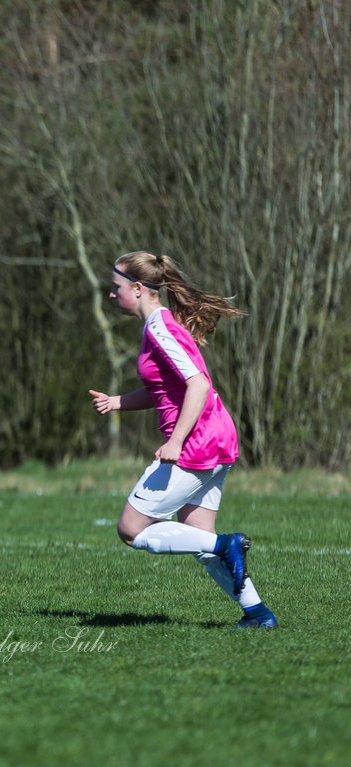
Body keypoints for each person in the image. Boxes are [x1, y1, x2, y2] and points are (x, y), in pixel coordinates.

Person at [89, 251, 277, 629]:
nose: (111, 295)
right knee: (197, 538)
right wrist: (118, 402)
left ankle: (228, 545)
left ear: (139, 289)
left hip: (198, 442)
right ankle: (258, 614)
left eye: (116, 288)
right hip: (217, 436)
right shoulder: (157, 326)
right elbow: (163, 390)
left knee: (130, 529)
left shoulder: (160, 328)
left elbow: (198, 385)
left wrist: (175, 442)